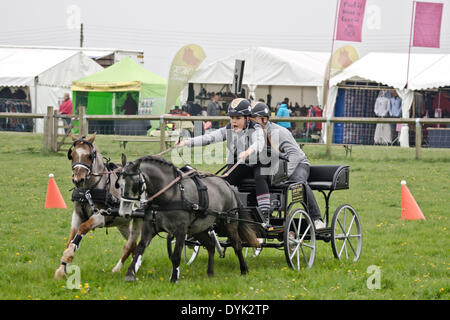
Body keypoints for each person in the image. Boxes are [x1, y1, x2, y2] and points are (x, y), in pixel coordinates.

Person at [176, 98, 272, 226]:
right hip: (241, 163)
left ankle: (265, 215)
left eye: (238, 118)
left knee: (260, 177)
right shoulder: (228, 129)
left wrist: (248, 152)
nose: (234, 121)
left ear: (247, 118)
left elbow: (259, 144)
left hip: (261, 162)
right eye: (232, 118)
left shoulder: (256, 128)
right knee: (222, 182)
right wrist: (187, 142)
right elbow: (209, 138)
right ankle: (224, 211)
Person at [250, 101, 326, 229]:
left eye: (254, 119)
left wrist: (284, 175)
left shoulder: (280, 132)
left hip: (298, 164)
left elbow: (294, 155)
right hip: (276, 166)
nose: (251, 122)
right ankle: (264, 215)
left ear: (264, 119)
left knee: (298, 182)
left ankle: (316, 218)